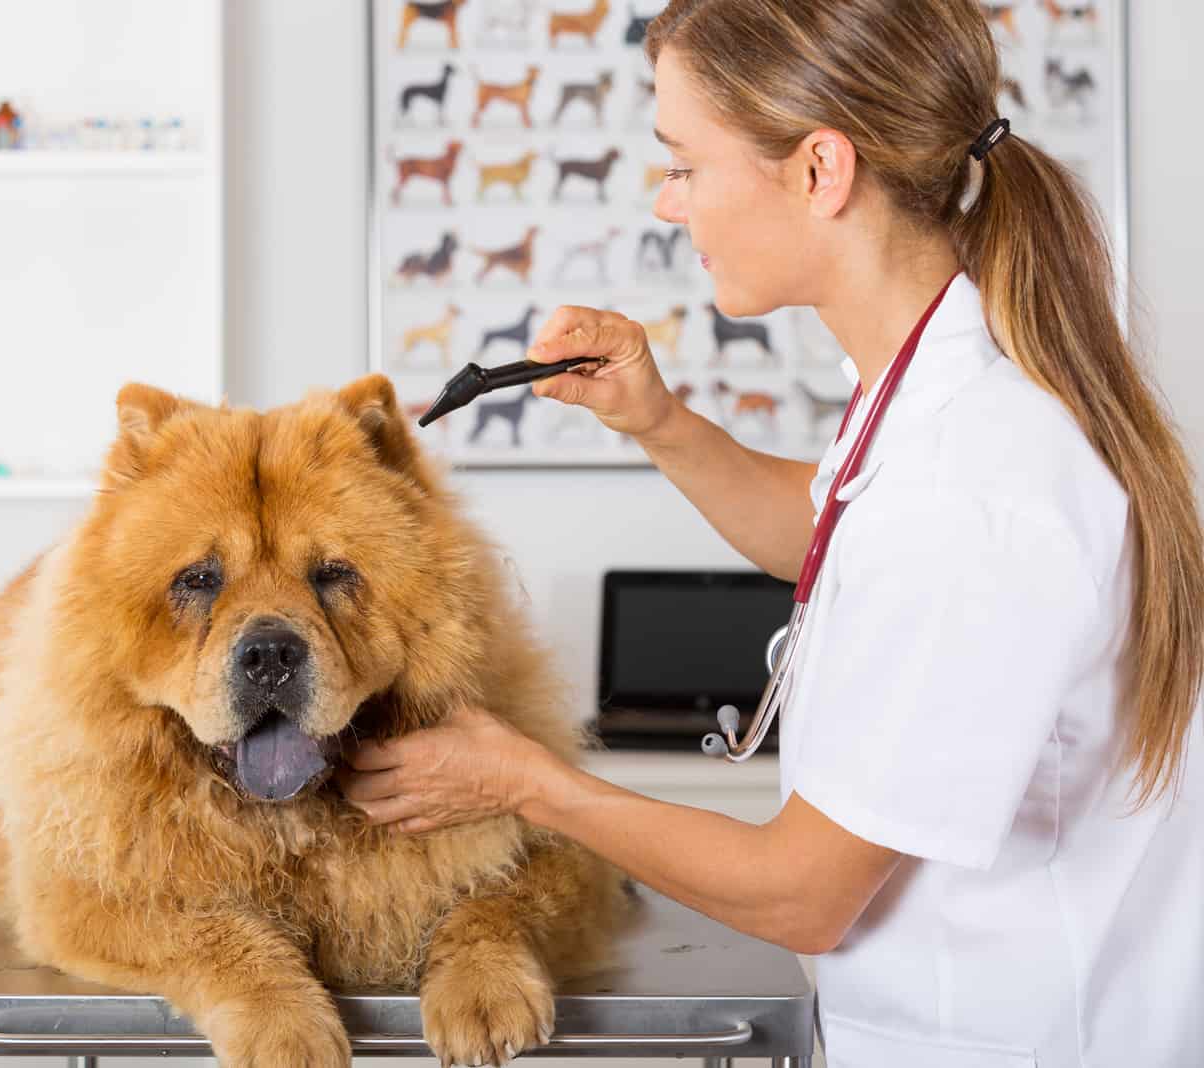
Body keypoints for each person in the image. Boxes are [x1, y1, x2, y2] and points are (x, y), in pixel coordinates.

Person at [337, 1, 1204, 1064]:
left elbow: (804, 897)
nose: (667, 204)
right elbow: (833, 533)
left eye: (683, 165)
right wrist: (657, 420)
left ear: (817, 172)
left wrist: (524, 782)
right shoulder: (934, 396)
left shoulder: (979, 488)